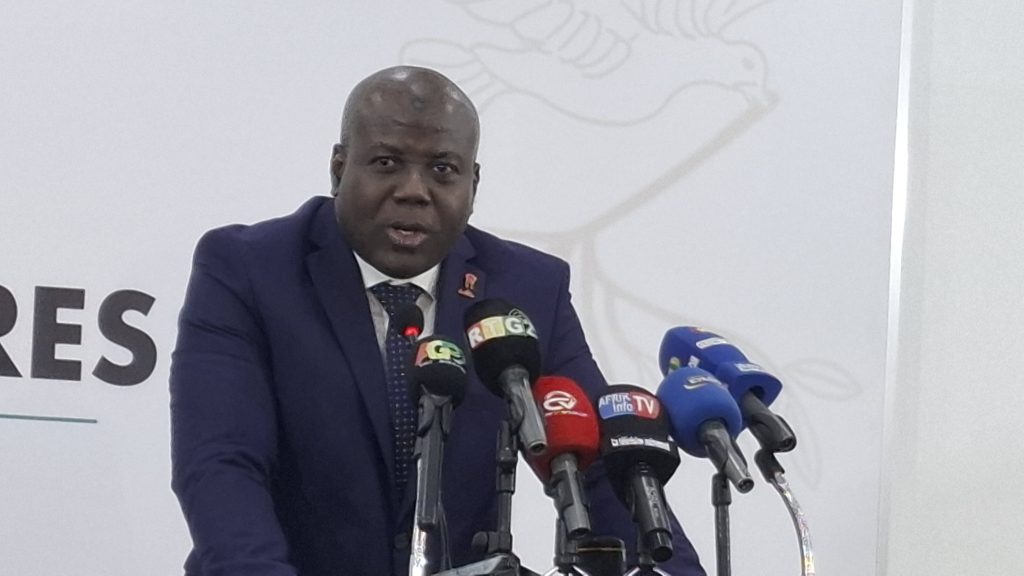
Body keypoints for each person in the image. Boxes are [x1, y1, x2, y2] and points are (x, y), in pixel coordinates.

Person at [170, 66, 705, 576]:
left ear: (473, 184)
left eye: (442, 169)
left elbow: (598, 467)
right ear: (338, 169)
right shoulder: (250, 270)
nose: (413, 189)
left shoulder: (526, 290)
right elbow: (221, 464)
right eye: (386, 162)